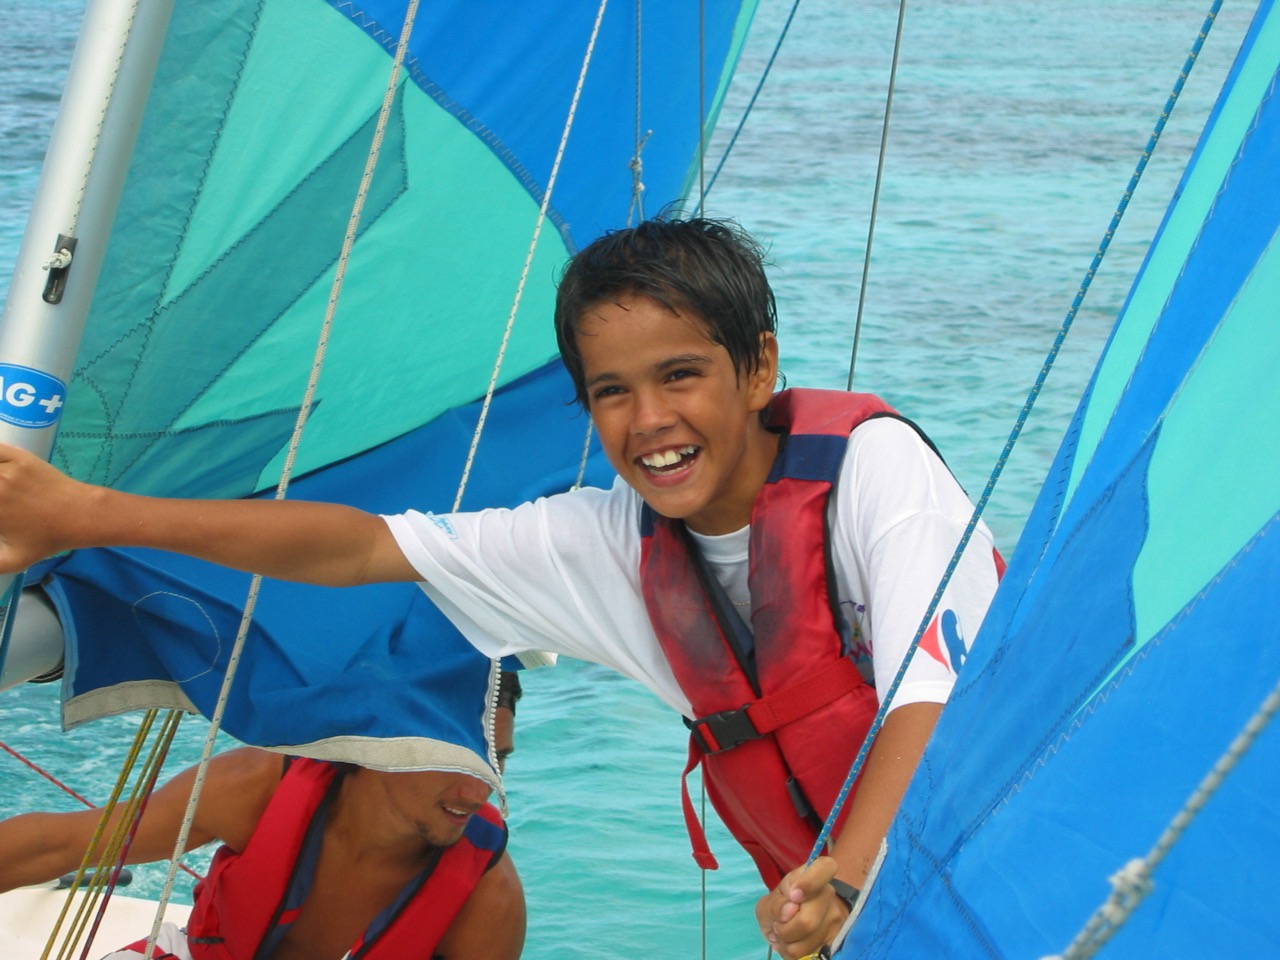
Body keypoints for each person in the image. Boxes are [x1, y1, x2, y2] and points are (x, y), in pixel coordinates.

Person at [0, 216, 1000, 959]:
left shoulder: (871, 471)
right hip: (854, 925)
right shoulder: (605, 540)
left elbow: (936, 692)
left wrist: (846, 876)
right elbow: (359, 548)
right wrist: (85, 515)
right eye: (611, 392)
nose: (649, 420)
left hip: (994, 872)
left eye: (680, 375)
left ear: (757, 367)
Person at [0, 678, 526, 960]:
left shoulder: (487, 896)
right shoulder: (258, 786)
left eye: (496, 760)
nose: (479, 790)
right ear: (383, 738)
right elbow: (57, 845)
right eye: (458, 760)